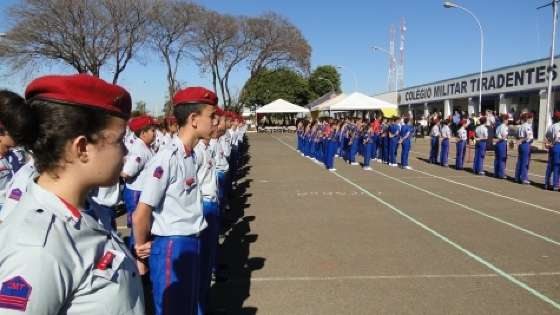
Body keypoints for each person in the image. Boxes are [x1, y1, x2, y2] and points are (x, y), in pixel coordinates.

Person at [0, 74, 145, 314]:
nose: (126, 151)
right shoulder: (37, 249)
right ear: (82, 148)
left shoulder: (88, 210)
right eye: (119, 140)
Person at [132, 87, 217, 315]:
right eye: (211, 116)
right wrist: (140, 250)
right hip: (173, 245)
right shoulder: (167, 158)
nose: (215, 122)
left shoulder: (190, 154)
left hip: (191, 241)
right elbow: (141, 212)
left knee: (190, 307)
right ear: (194, 119)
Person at [121, 115, 156, 250]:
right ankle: (135, 255)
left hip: (142, 191)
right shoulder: (140, 150)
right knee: (137, 226)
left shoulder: (146, 147)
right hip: (136, 192)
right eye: (152, 130)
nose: (155, 133)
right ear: (143, 133)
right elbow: (127, 173)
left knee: (142, 225)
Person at [515, 112, 534, 184]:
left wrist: (519, 141)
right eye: (531, 118)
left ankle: (517, 177)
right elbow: (528, 137)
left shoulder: (520, 126)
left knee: (520, 161)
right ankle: (524, 178)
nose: (531, 119)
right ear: (528, 118)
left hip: (521, 145)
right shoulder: (527, 126)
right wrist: (522, 141)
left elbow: (517, 136)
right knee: (525, 162)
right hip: (525, 144)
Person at [544, 111, 560, 191]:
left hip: (553, 146)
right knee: (558, 166)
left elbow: (546, 137)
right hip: (558, 146)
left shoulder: (551, 126)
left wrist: (547, 144)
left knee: (551, 166)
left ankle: (547, 183)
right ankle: (556, 185)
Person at [494, 114, 509, 179]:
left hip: (498, 143)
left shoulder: (498, 126)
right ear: (504, 120)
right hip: (502, 143)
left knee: (497, 158)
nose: (508, 121)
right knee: (502, 159)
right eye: (507, 119)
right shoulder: (504, 127)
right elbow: (504, 136)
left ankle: (496, 172)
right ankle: (501, 174)